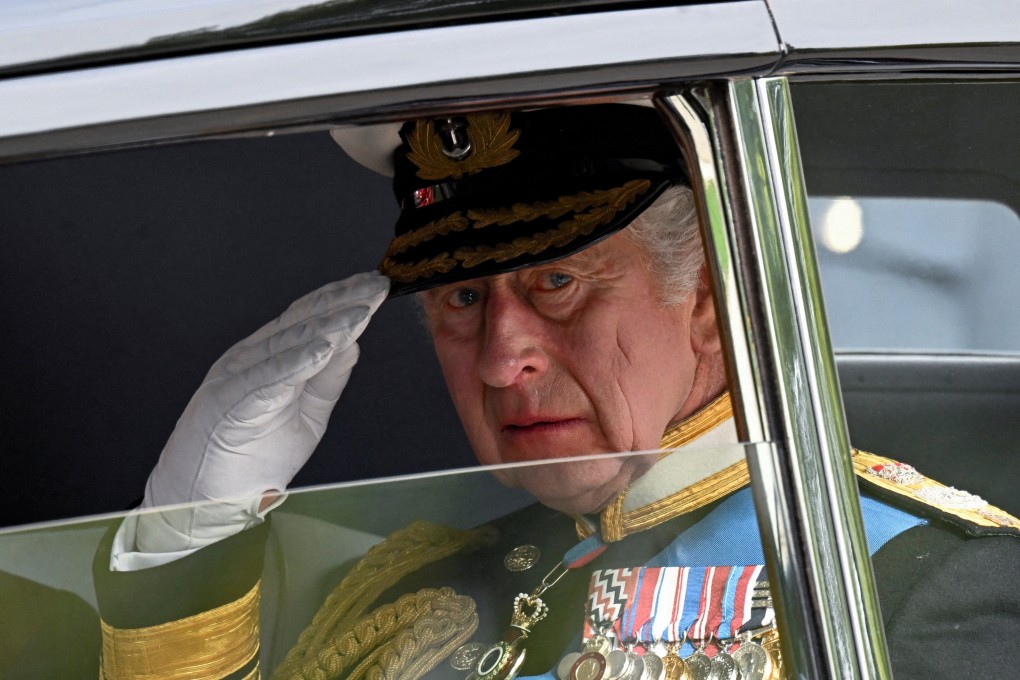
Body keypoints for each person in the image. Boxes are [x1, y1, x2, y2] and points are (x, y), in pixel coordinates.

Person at [93, 104, 1020, 680]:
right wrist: (189, 536)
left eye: (557, 284)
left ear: (706, 302)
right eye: (463, 298)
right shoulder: (406, 587)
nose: (501, 362)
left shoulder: (924, 585)